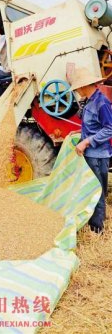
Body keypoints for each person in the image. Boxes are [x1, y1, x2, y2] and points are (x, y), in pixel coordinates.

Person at [70, 67, 112, 233]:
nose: (77, 91)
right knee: (97, 189)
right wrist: (81, 133)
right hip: (93, 154)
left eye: (77, 88)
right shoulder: (89, 101)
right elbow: (92, 125)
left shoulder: (101, 103)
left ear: (82, 86)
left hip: (98, 155)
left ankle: (97, 229)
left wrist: (87, 141)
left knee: (96, 191)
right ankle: (100, 219)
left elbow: (109, 128)